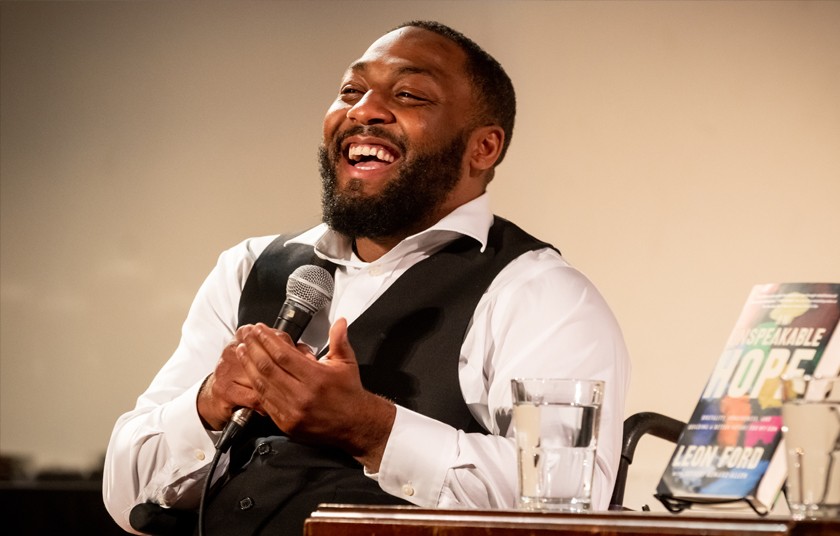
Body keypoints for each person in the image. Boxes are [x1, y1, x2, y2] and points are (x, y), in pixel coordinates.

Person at [103, 20, 630, 535]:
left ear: (483, 148)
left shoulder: (541, 296)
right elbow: (125, 493)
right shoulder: (247, 269)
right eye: (351, 90)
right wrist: (210, 401)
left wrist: (371, 429)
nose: (364, 110)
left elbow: (564, 504)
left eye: (410, 95)